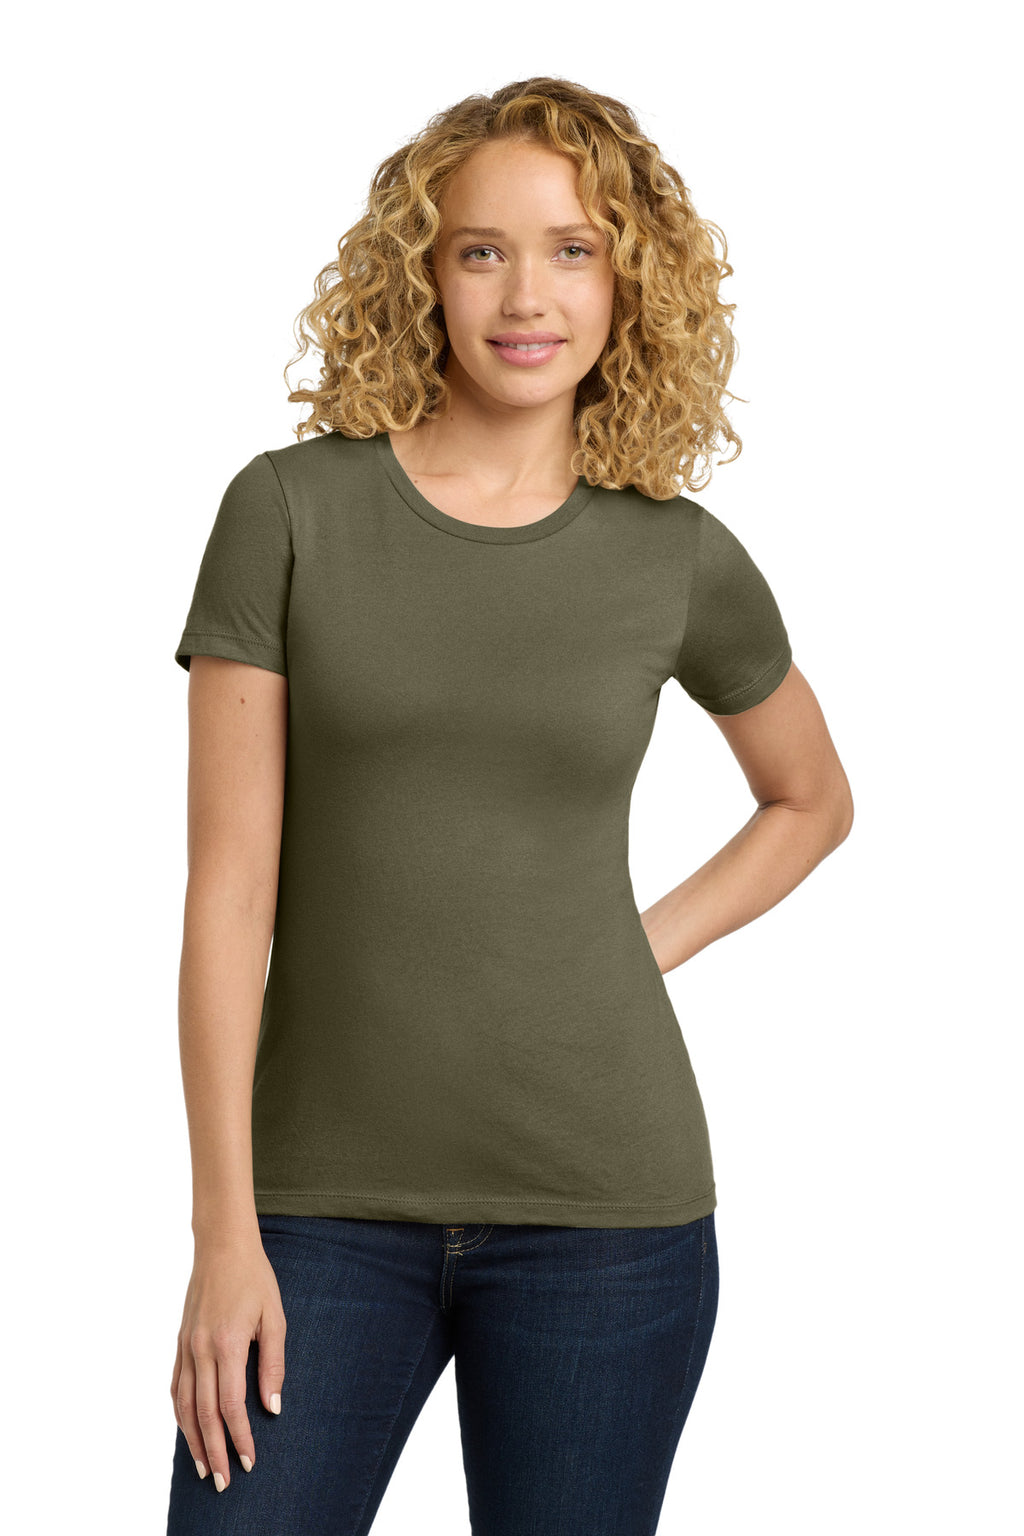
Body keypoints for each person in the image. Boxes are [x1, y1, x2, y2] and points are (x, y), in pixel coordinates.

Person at [165, 76, 853, 1535]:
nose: (525, 296)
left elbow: (809, 798)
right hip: (317, 1212)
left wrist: (635, 949)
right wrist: (225, 1228)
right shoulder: (289, 512)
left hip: (607, 1222)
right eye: (481, 250)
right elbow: (227, 894)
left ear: (630, 282)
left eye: (572, 251)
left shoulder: (676, 556)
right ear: (420, 272)